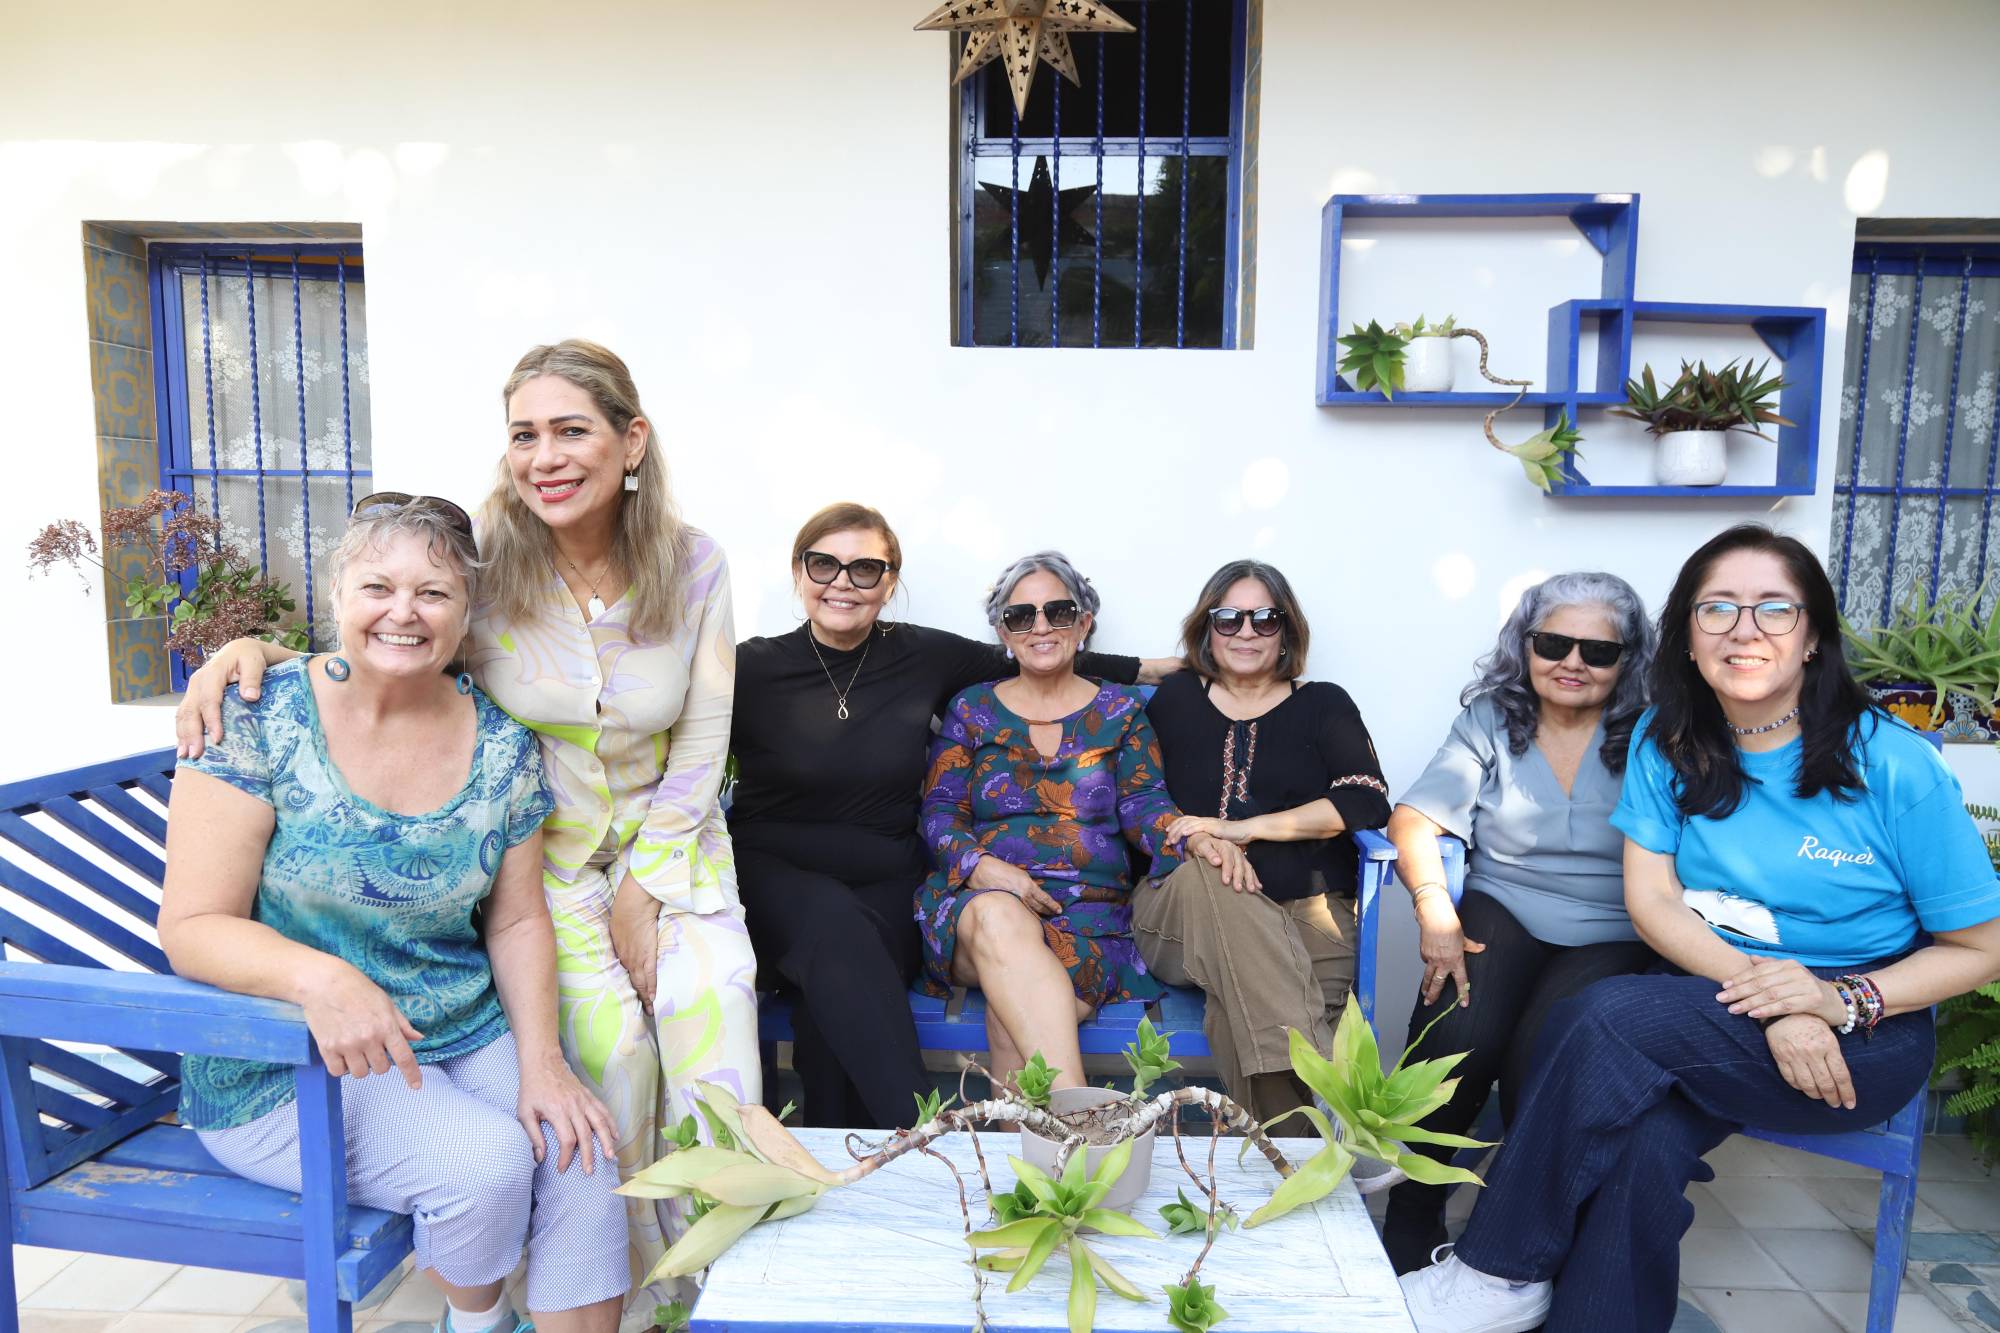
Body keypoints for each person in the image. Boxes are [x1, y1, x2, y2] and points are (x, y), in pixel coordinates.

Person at [175, 340, 757, 1319]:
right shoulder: (464, 574)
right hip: (428, 951)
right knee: (568, 1093)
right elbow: (385, 623)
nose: (546, 454)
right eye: (525, 433)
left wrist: (643, 886)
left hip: (629, 880)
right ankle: (501, 1309)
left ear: (631, 441)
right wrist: (256, 652)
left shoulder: (667, 586)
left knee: (652, 1085)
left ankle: (711, 1293)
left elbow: (699, 733)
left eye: (572, 429)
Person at [1399, 525, 2000, 1333]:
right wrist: (1781, 999)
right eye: (1717, 608)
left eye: (1773, 609)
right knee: (1640, 1145)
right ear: (1685, 637)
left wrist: (1833, 999)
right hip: (1724, 1000)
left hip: (1867, 1024)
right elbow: (1652, 902)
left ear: (1814, 634)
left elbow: (1982, 947)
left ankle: (1495, 1269)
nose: (1743, 629)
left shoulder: (1894, 765)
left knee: (1603, 1014)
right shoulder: (1667, 741)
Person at [161, 499, 627, 1333]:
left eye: (434, 592)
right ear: (336, 594)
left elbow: (516, 923)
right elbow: (192, 923)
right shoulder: (258, 717)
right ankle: (478, 1323)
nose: (403, 612)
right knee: (484, 1165)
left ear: (466, 611)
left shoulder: (503, 748)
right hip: (288, 1058)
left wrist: (541, 1059)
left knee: (580, 1153)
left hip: (455, 1025)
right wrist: (322, 977)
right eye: (377, 586)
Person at [731, 506, 1182, 1129]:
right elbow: (674, 753)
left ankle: (861, 1164)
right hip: (778, 873)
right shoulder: (748, 668)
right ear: (798, 571)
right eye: (824, 564)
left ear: (890, 583)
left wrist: (1159, 670)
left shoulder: (922, 656)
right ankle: (918, 1136)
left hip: (886, 882)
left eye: (865, 568)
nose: (842, 581)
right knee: (840, 937)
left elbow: (1038, 655)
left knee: (835, 992)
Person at [1378, 571, 1658, 1273]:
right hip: (1504, 900)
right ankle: (1414, 1206)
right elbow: (1415, 815)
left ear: (1627, 659)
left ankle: (1513, 1229)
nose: (1572, 661)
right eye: (1554, 642)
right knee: (1462, 1026)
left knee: (1546, 1043)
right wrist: (1433, 903)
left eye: (1598, 650)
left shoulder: (1656, 731)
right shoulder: (1491, 718)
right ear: (1525, 645)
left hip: (1618, 922)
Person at [912, 551, 1252, 1092]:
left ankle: (1032, 1169)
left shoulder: (1119, 711)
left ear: (1084, 623)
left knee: (1013, 1013)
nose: (1041, 626)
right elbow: (940, 812)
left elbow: (1145, 804)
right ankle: (1084, 1123)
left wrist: (1191, 838)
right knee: (1003, 923)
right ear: (1003, 631)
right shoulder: (971, 709)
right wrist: (981, 867)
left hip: (1089, 923)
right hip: (975, 909)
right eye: (1021, 615)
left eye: (1058, 611)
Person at [1136, 559, 1391, 1124]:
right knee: (1211, 872)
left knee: (1243, 1010)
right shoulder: (1174, 700)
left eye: (1264, 619)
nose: (1245, 632)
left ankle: (1285, 1169)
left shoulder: (1324, 703)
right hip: (1181, 910)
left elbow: (1365, 800)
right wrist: (1208, 841)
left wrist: (1241, 828)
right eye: (1227, 619)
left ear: (1288, 631)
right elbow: (1136, 797)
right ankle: (1352, 1114)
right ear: (1206, 628)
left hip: (1311, 915)